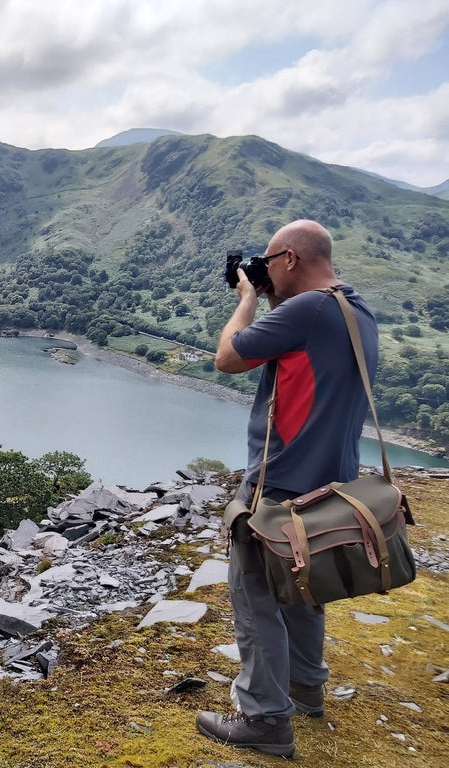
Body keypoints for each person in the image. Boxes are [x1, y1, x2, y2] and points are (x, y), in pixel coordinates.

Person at [196, 219, 378, 757]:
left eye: (270, 261)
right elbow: (301, 354)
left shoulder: (305, 310)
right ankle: (304, 687)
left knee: (253, 593)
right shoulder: (353, 308)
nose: (266, 270)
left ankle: (264, 718)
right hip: (333, 481)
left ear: (291, 259)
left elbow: (229, 358)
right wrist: (271, 291)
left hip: (280, 482)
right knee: (305, 584)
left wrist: (248, 298)